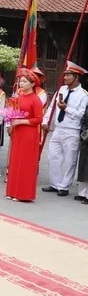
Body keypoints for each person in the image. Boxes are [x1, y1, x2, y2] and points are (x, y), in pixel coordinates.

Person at [41, 61, 88, 197]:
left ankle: (64, 186)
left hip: (72, 131)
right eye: (65, 74)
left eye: (68, 75)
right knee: (52, 157)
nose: (65, 78)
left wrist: (66, 108)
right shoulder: (61, 89)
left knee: (69, 161)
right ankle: (55, 183)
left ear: (76, 77)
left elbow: (81, 115)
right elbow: (52, 108)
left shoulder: (84, 95)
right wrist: (46, 120)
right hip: (58, 128)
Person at [4, 69, 44, 202]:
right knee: (15, 160)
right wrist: (10, 124)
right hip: (18, 132)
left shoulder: (35, 100)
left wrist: (22, 121)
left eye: (24, 81)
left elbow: (39, 119)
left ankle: (23, 193)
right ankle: (12, 191)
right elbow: (12, 112)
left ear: (32, 84)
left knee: (25, 162)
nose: (21, 84)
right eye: (20, 81)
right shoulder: (19, 97)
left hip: (29, 133)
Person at [75, 101, 88, 204]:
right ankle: (82, 193)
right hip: (86, 138)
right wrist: (83, 132)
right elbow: (83, 119)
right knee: (83, 166)